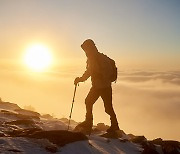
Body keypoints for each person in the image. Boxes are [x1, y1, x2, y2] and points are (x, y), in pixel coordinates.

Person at [74, 39, 120, 134]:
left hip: (104, 87)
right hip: (98, 86)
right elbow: (89, 72)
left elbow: (108, 72)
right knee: (89, 102)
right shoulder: (91, 59)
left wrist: (100, 75)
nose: (85, 51)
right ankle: (89, 122)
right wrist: (80, 79)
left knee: (107, 107)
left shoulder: (101, 58)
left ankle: (114, 126)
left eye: (86, 49)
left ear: (90, 48)